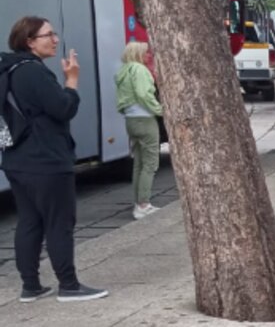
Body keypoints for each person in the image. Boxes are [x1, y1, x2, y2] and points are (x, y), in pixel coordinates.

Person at [0, 16, 109, 302]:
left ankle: (30, 286)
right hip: (46, 160)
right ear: (30, 41)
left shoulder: (9, 70)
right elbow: (63, 108)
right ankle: (69, 286)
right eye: (48, 35)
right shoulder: (33, 72)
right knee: (59, 223)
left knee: (29, 222)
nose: (55, 40)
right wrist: (71, 81)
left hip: (16, 159)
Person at [114, 42, 164, 220]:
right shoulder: (140, 70)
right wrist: (160, 110)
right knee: (150, 163)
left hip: (131, 120)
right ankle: (143, 205)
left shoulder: (123, 71)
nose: (149, 55)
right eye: (146, 52)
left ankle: (138, 203)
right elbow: (144, 94)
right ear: (138, 54)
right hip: (145, 119)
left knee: (138, 163)